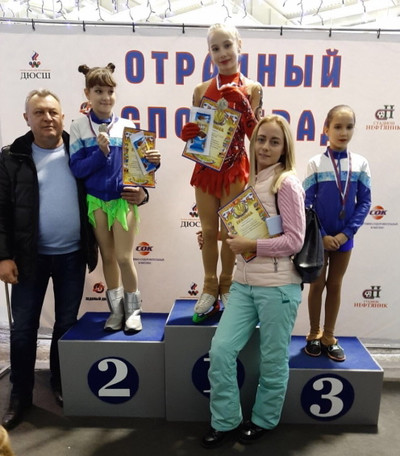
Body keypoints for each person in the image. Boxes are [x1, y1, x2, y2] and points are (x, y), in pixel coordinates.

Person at [201, 115, 305, 448]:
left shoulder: (286, 183)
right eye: (261, 139)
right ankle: (225, 421)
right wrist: (219, 237)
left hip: (278, 288)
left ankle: (263, 420)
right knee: (221, 350)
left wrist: (252, 245)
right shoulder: (251, 181)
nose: (265, 147)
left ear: (284, 147)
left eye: (274, 141)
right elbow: (253, 232)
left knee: (273, 360)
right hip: (244, 285)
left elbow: (294, 240)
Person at [0, 89, 99, 430]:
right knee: (24, 329)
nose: (47, 118)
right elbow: (1, 211)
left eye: (53, 112)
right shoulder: (11, 157)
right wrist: (3, 256)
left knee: (66, 325)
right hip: (29, 259)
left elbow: (108, 184)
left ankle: (61, 382)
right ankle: (20, 396)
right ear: (26, 118)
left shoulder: (81, 149)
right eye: (39, 112)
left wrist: (140, 192)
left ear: (62, 115)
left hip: (72, 255)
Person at [69, 63, 160, 334]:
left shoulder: (127, 126)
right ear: (87, 93)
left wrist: (154, 162)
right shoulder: (78, 127)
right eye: (99, 91)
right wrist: (100, 153)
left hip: (123, 202)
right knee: (107, 257)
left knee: (123, 257)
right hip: (96, 201)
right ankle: (116, 311)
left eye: (110, 91)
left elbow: (141, 169)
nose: (105, 97)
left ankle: (133, 311)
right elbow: (77, 169)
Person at [180, 23, 263, 319]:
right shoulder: (201, 89)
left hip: (235, 170)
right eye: (215, 48)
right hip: (205, 169)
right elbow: (198, 135)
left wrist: (245, 106)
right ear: (209, 53)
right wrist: (188, 134)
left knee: (229, 232)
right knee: (208, 230)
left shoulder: (253, 88)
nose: (223, 53)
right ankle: (208, 286)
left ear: (239, 44)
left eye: (227, 45)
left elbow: (257, 139)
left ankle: (227, 284)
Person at [303, 104, 371, 362]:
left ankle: (329, 336)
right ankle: (314, 333)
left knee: (335, 285)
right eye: (338, 127)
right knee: (317, 284)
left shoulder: (361, 164)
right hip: (319, 238)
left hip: (345, 237)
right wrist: (321, 234)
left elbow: (365, 202)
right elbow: (306, 203)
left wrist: (346, 234)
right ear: (326, 129)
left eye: (349, 127)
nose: (343, 132)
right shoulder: (315, 163)